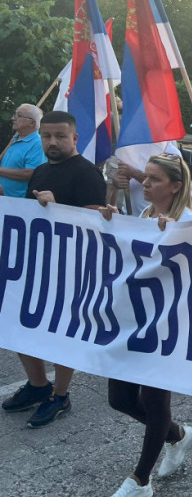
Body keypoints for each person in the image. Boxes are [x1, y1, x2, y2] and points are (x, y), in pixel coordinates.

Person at [100, 154, 192, 497]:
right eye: (146, 178)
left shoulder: (188, 220)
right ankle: (177, 435)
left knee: (155, 401)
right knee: (120, 398)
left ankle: (140, 480)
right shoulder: (144, 214)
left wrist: (170, 238)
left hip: (167, 325)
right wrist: (113, 224)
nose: (145, 183)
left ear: (175, 186)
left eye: (154, 180)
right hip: (136, 321)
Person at [1, 111, 106, 428]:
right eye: (47, 136)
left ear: (75, 138)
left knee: (61, 335)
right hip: (35, 263)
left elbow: (95, 223)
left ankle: (61, 395)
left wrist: (57, 206)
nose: (53, 142)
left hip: (71, 268)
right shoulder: (41, 171)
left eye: (60, 136)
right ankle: (37, 386)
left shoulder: (88, 174)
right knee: (17, 324)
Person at [0, 103, 46, 198]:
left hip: (18, 205)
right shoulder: (15, 139)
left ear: (32, 123)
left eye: (19, 115)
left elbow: (30, 173)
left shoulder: (38, 144)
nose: (13, 118)